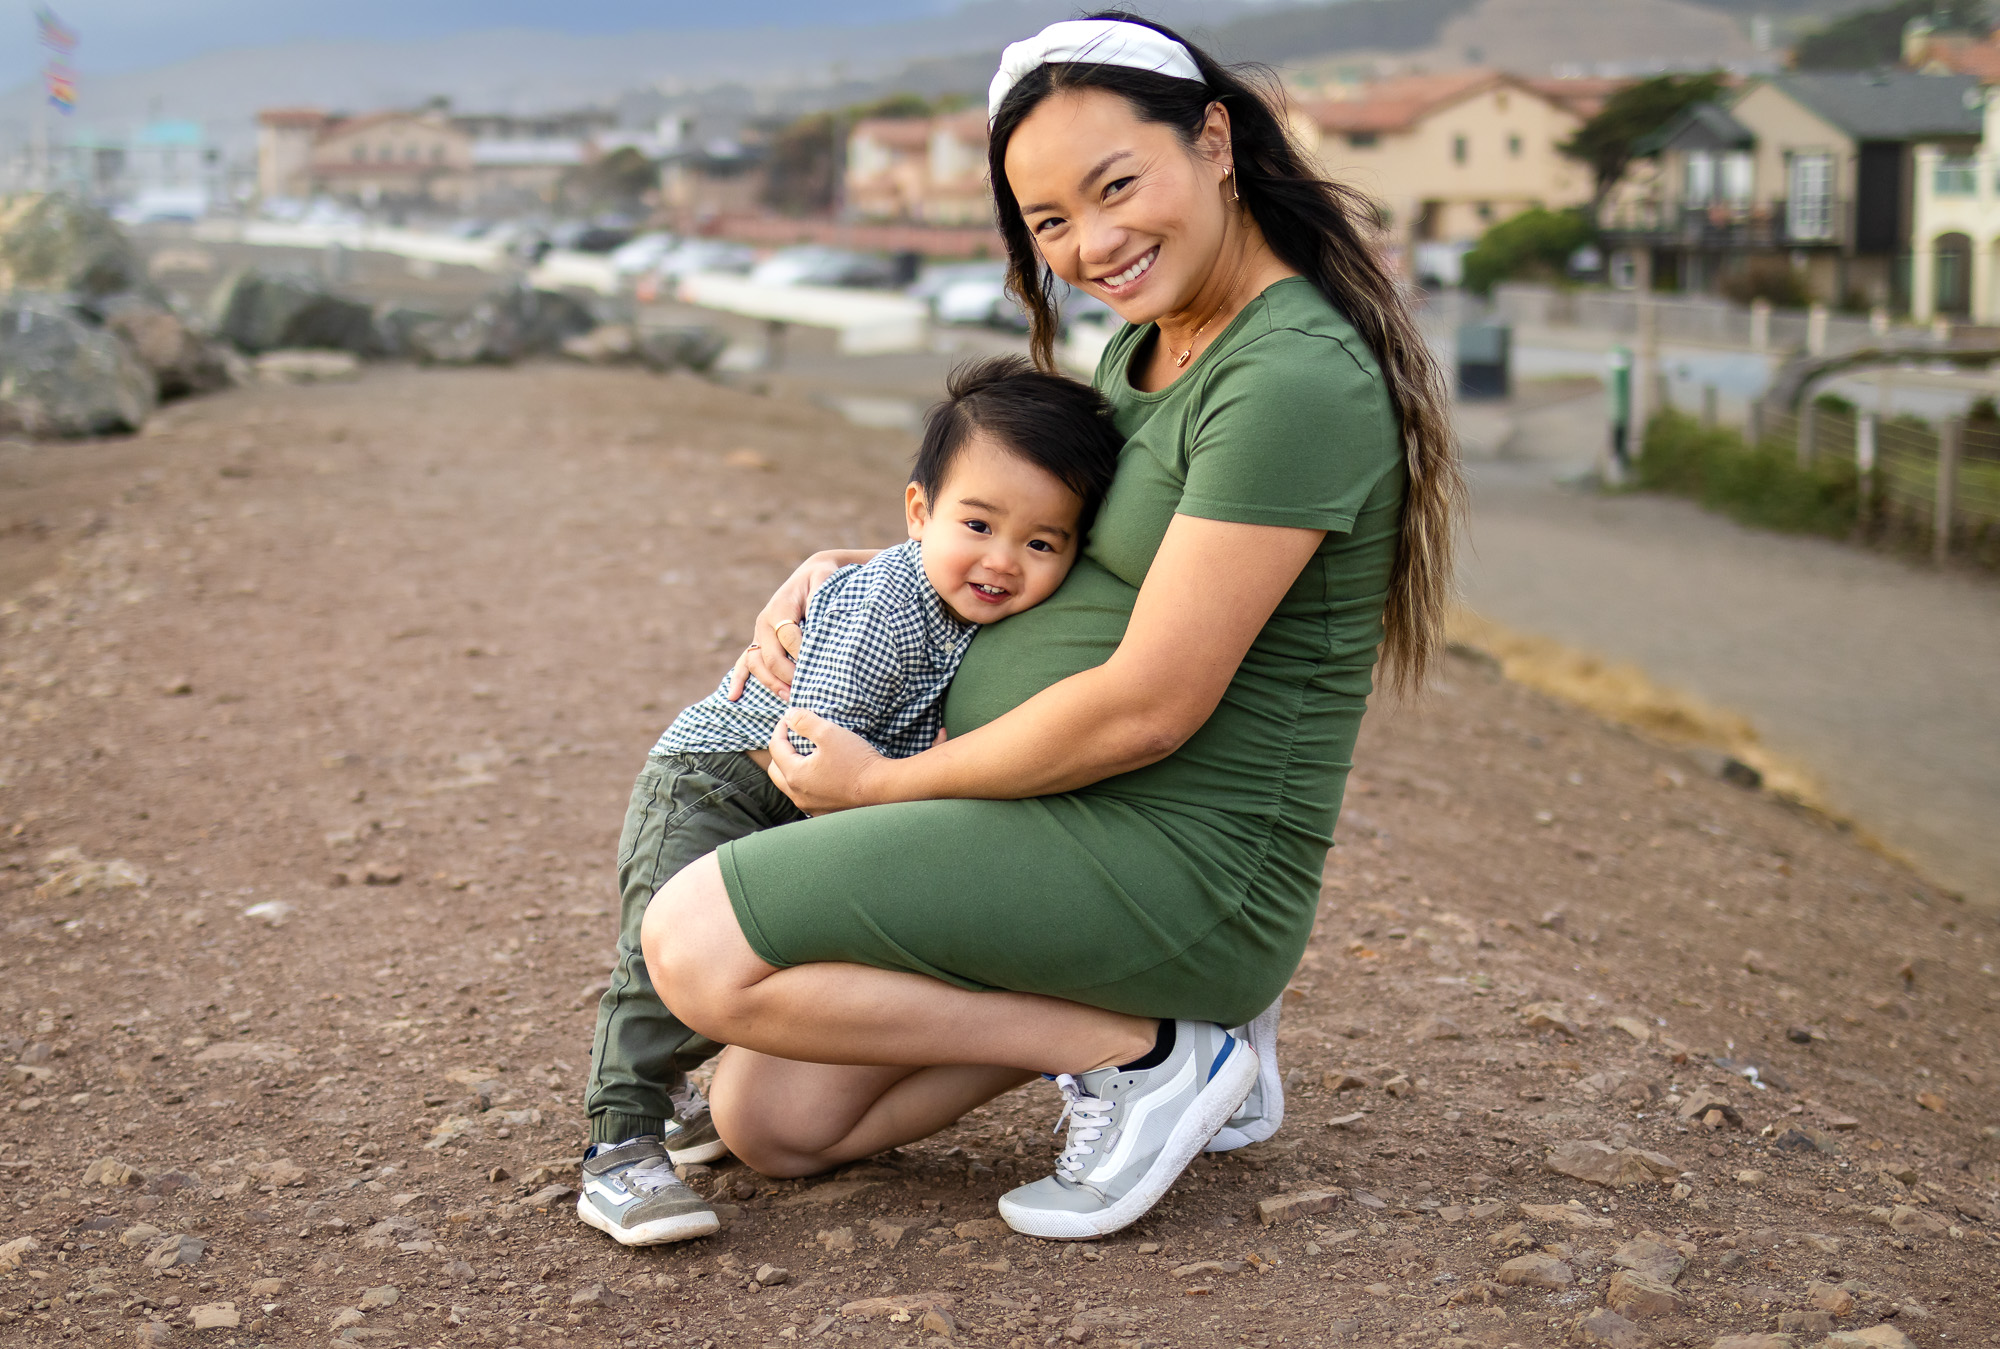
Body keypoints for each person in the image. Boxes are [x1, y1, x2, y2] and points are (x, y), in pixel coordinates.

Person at [641, 10, 1464, 1241]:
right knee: (774, 1119)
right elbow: (1057, 541)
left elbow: (1148, 704)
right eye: (1051, 223)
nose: (1096, 242)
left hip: (1180, 855)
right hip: (1057, 820)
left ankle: (1140, 1052)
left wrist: (887, 785)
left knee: (698, 944)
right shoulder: (1150, 341)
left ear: (1216, 141)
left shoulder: (1285, 376)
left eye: (1116, 185)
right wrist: (868, 565)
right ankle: (1176, 1040)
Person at [577, 357, 1123, 1246]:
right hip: (720, 782)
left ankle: (680, 1105)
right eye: (978, 524)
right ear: (920, 513)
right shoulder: (888, 605)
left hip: (806, 797)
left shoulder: (971, 608)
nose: (1000, 560)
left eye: (1041, 542)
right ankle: (617, 1148)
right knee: (660, 967)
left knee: (771, 961)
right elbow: (807, 751)